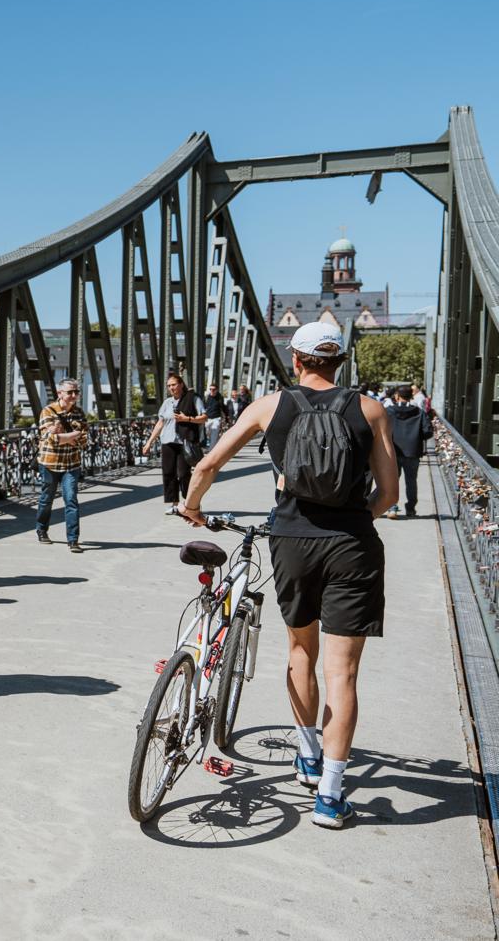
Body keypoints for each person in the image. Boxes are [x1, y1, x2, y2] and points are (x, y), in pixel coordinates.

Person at [177, 321, 397, 830]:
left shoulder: (269, 406)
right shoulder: (369, 409)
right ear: (340, 363)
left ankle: (306, 755)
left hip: (291, 543)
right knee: (342, 674)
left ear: (295, 361)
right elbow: (387, 495)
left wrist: (192, 506)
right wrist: (351, 518)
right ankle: (330, 796)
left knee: (302, 650)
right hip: (352, 548)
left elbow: (208, 462)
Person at [35, 378, 88, 552]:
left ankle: (73, 540)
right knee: (46, 499)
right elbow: (52, 439)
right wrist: (73, 435)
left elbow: (84, 440)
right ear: (60, 393)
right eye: (70, 392)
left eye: (76, 392)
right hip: (49, 463)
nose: (74, 395)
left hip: (71, 464)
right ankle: (41, 529)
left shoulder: (79, 413)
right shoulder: (48, 411)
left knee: (71, 499)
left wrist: (67, 437)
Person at [141, 373, 207, 511]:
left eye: (174, 384)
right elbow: (160, 423)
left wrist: (187, 419)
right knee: (168, 473)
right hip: (168, 442)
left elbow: (204, 418)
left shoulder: (193, 398)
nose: (171, 388)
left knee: (183, 474)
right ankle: (174, 504)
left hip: (185, 442)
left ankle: (190, 502)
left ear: (181, 384)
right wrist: (149, 442)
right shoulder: (167, 403)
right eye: (169, 386)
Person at [384, 385, 433, 518]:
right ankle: (410, 509)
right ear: (411, 396)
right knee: (411, 481)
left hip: (393, 451)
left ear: (397, 396)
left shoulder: (388, 411)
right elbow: (428, 431)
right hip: (413, 451)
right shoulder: (419, 412)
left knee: (392, 481)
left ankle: (392, 508)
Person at [203, 383, 227, 449]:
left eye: (214, 389)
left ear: (217, 390)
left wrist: (226, 417)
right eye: (210, 389)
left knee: (214, 434)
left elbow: (223, 407)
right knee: (207, 433)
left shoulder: (220, 397)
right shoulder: (207, 397)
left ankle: (211, 450)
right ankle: (213, 445)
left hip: (216, 418)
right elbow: (203, 407)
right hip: (207, 419)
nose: (212, 391)